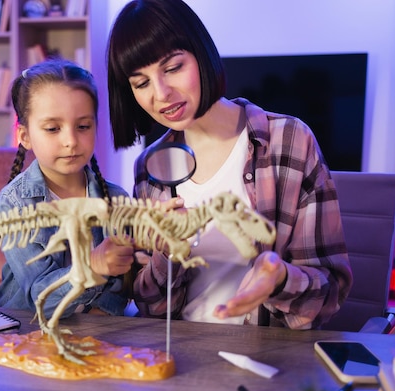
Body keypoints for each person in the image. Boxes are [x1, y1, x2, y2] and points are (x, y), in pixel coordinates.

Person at [107, 0, 352, 329]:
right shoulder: (150, 170)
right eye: (141, 83)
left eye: (173, 68)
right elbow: (152, 310)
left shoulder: (290, 142)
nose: (161, 93)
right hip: (181, 356)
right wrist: (167, 255)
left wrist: (279, 279)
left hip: (267, 359)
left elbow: (330, 293)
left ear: (201, 52)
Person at [0, 59, 133, 318]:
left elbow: (120, 290)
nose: (71, 141)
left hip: (100, 336)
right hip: (27, 334)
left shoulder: (117, 200)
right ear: (25, 136)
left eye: (83, 126)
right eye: (53, 129)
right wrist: (93, 265)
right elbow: (43, 298)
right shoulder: (14, 205)